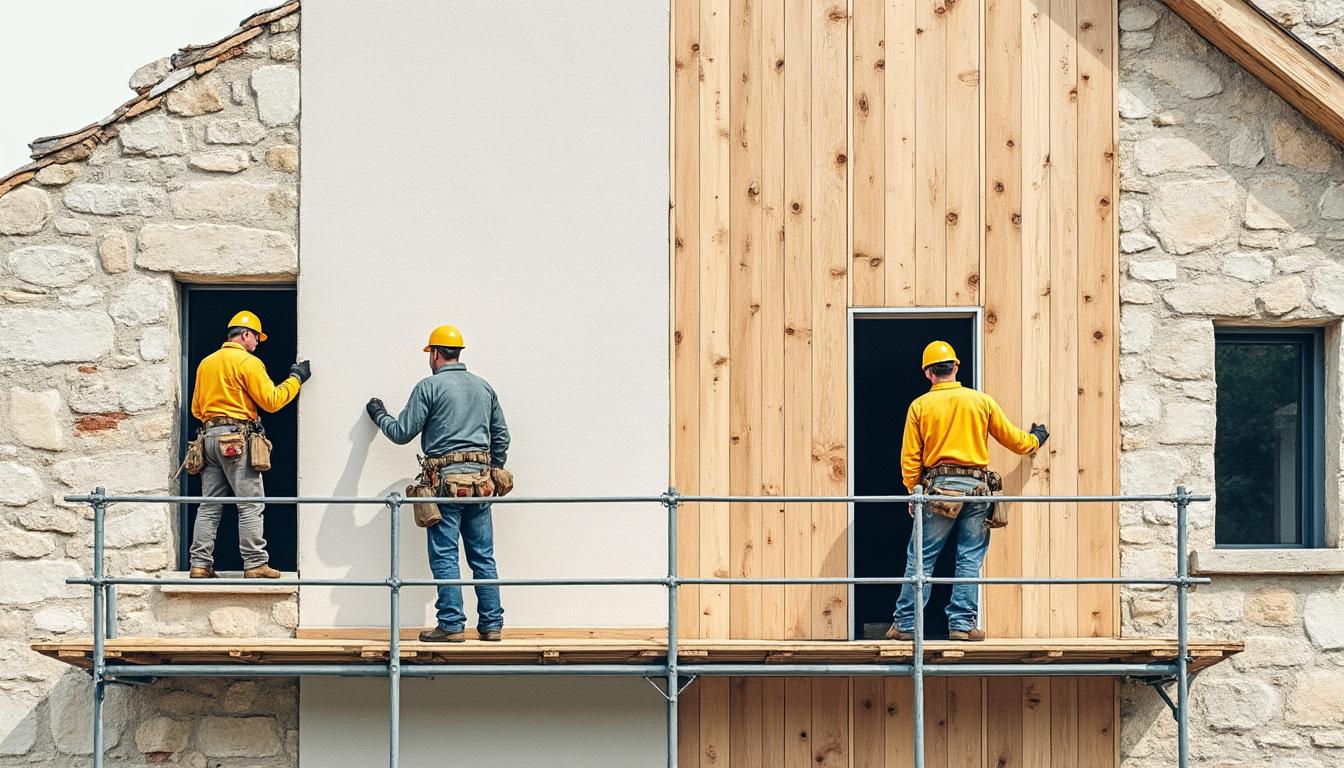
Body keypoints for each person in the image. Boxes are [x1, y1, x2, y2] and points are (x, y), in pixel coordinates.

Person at [887, 340, 1047, 641]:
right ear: (956, 367)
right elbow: (1015, 441)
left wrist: (913, 491)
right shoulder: (980, 402)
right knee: (969, 558)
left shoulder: (920, 406)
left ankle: (906, 624)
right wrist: (1036, 438)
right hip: (976, 491)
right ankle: (961, 625)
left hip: (938, 491)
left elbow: (910, 458)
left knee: (921, 558)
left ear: (927, 372)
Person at [365, 324, 511, 642]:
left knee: (445, 554)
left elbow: (401, 432)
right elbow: (501, 436)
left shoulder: (429, 387)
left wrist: (379, 414)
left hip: (444, 485)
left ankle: (452, 625)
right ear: (458, 352)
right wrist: (494, 468)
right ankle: (491, 625)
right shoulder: (483, 387)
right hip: (481, 486)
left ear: (434, 354)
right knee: (483, 556)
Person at [189, 310, 311, 579]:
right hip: (236, 440)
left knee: (209, 506)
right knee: (250, 505)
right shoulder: (248, 362)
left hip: (208, 439)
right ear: (245, 334)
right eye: (256, 337)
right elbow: (272, 401)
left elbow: (196, 409)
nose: (258, 342)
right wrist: (296, 379)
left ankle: (199, 565)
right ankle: (255, 563)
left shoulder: (206, 363)